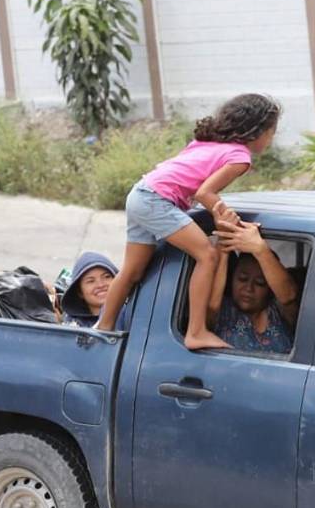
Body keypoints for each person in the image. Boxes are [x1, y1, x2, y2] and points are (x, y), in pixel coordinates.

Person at [95, 94, 282, 350]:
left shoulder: (208, 142)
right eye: (272, 132)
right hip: (156, 200)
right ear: (257, 130)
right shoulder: (240, 158)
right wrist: (227, 218)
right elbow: (205, 193)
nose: (271, 139)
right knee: (207, 255)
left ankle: (103, 328)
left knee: (132, 271)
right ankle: (196, 332)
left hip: (140, 194)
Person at [209, 220, 299, 353]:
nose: (249, 288)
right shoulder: (222, 310)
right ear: (231, 278)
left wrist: (260, 250)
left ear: (270, 287)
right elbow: (211, 305)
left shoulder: (278, 312)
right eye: (242, 279)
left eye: (260, 283)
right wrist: (224, 238)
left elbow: (289, 296)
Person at [60, 252, 118, 327]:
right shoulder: (72, 327)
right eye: (91, 281)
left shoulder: (131, 315)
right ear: (80, 292)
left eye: (106, 277)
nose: (100, 285)